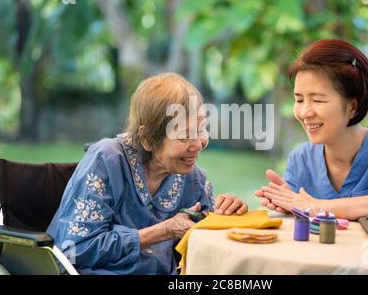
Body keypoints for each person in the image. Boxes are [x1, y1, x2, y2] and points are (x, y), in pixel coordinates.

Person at [47, 73, 248, 274]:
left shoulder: (193, 179)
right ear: (147, 139)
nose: (198, 144)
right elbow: (74, 249)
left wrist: (229, 214)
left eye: (202, 129)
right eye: (185, 135)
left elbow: (209, 237)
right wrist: (163, 231)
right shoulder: (107, 160)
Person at [255, 39, 368, 220]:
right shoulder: (301, 160)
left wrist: (318, 207)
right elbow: (294, 221)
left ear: (352, 107)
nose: (305, 112)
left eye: (317, 100)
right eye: (299, 100)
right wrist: (285, 209)